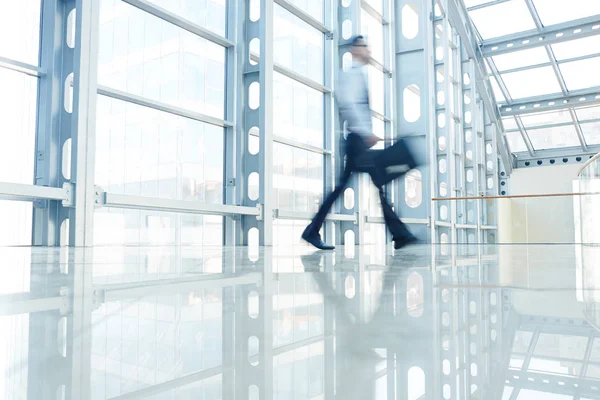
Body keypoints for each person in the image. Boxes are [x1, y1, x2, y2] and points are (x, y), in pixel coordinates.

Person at [301, 35, 417, 251]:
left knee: (364, 184)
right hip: (356, 141)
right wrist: (365, 133)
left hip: (359, 141)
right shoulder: (350, 75)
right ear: (355, 49)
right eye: (365, 47)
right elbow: (349, 106)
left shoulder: (358, 74)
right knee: (366, 183)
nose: (368, 51)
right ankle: (399, 234)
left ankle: (399, 234)